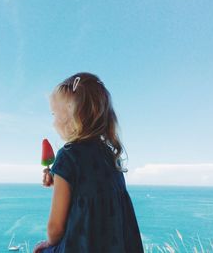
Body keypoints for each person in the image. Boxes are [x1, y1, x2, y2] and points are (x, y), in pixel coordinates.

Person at [33, 72, 144, 253]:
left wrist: (48, 244)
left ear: (71, 118)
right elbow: (91, 187)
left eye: (55, 114)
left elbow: (55, 229)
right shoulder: (110, 156)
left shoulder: (67, 157)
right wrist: (59, 179)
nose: (53, 122)